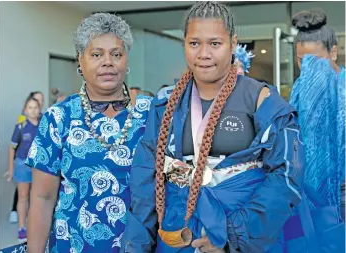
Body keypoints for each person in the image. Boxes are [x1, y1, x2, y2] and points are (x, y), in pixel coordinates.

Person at [122, 2, 304, 253]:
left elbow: (286, 177)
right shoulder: (165, 103)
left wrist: (231, 235)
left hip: (247, 237)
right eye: (194, 43)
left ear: (233, 43)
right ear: (184, 44)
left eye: (215, 43)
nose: (204, 53)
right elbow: (145, 178)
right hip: (178, 234)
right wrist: (137, 245)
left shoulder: (261, 99)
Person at [25, 13, 152, 253]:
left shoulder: (150, 114)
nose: (108, 62)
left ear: (126, 61)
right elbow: (42, 199)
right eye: (96, 54)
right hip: (71, 246)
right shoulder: (59, 118)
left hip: (138, 246)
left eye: (117, 54)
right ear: (80, 61)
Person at [290, 10, 345, 218]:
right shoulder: (297, 90)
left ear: (333, 52)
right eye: (302, 62)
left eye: (315, 62)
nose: (308, 70)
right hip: (308, 191)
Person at [5, 96, 40, 241]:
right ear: (25, 110)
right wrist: (11, 170)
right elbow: (12, 148)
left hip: (39, 167)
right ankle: (21, 228)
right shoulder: (21, 125)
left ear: (39, 110)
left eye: (35, 107)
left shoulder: (44, 123)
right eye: (30, 108)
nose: (33, 110)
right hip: (22, 165)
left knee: (38, 198)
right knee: (23, 197)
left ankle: (37, 227)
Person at [9, 91, 45, 224]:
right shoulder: (22, 122)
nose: (39, 103)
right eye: (36, 100)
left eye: (41, 101)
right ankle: (17, 215)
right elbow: (14, 145)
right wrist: (12, 168)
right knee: (22, 192)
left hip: (38, 165)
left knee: (37, 195)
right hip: (22, 161)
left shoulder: (44, 120)